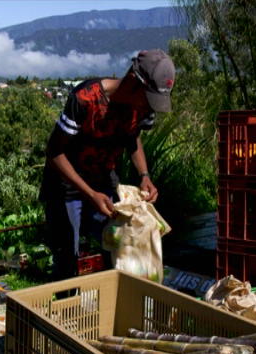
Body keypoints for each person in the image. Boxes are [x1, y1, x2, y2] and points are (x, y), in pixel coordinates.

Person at [40, 49, 175, 280]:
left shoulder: (142, 108)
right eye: (147, 98)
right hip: (66, 186)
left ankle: (110, 307)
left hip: (103, 182)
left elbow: (133, 137)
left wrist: (144, 175)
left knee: (117, 246)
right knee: (67, 260)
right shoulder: (85, 98)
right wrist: (90, 194)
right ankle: (64, 308)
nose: (148, 107)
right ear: (133, 80)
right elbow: (55, 152)